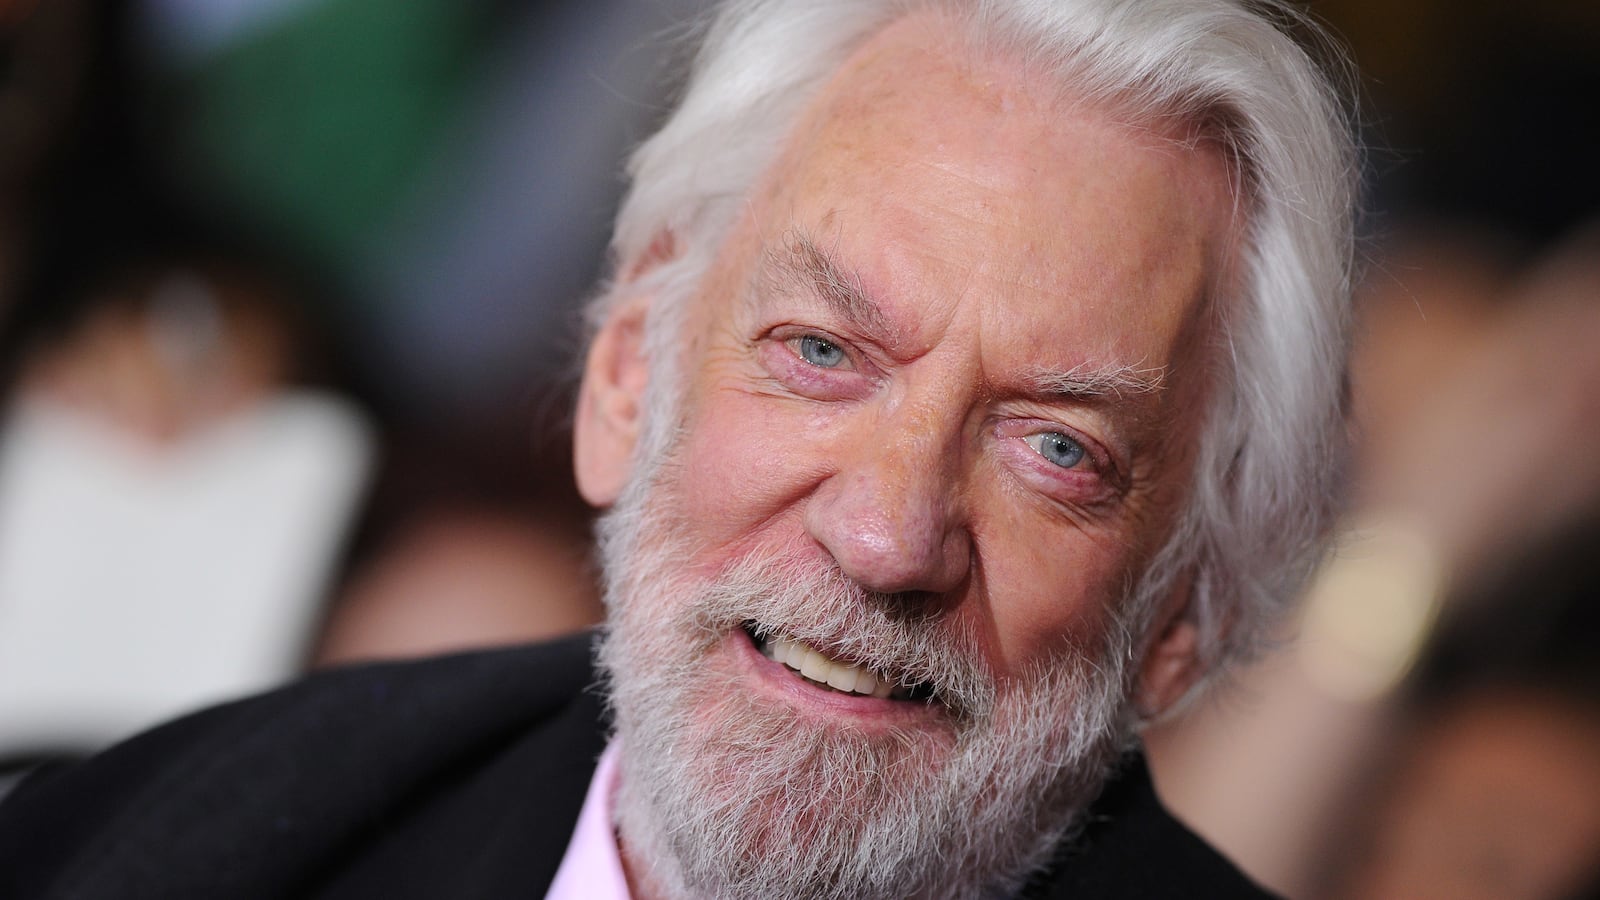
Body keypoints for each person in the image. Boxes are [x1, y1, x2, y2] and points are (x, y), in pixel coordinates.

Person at [0, 0, 1356, 897]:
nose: (886, 538)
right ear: (627, 371)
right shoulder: (178, 842)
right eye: (821, 354)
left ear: (1187, 601)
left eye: (1055, 449)